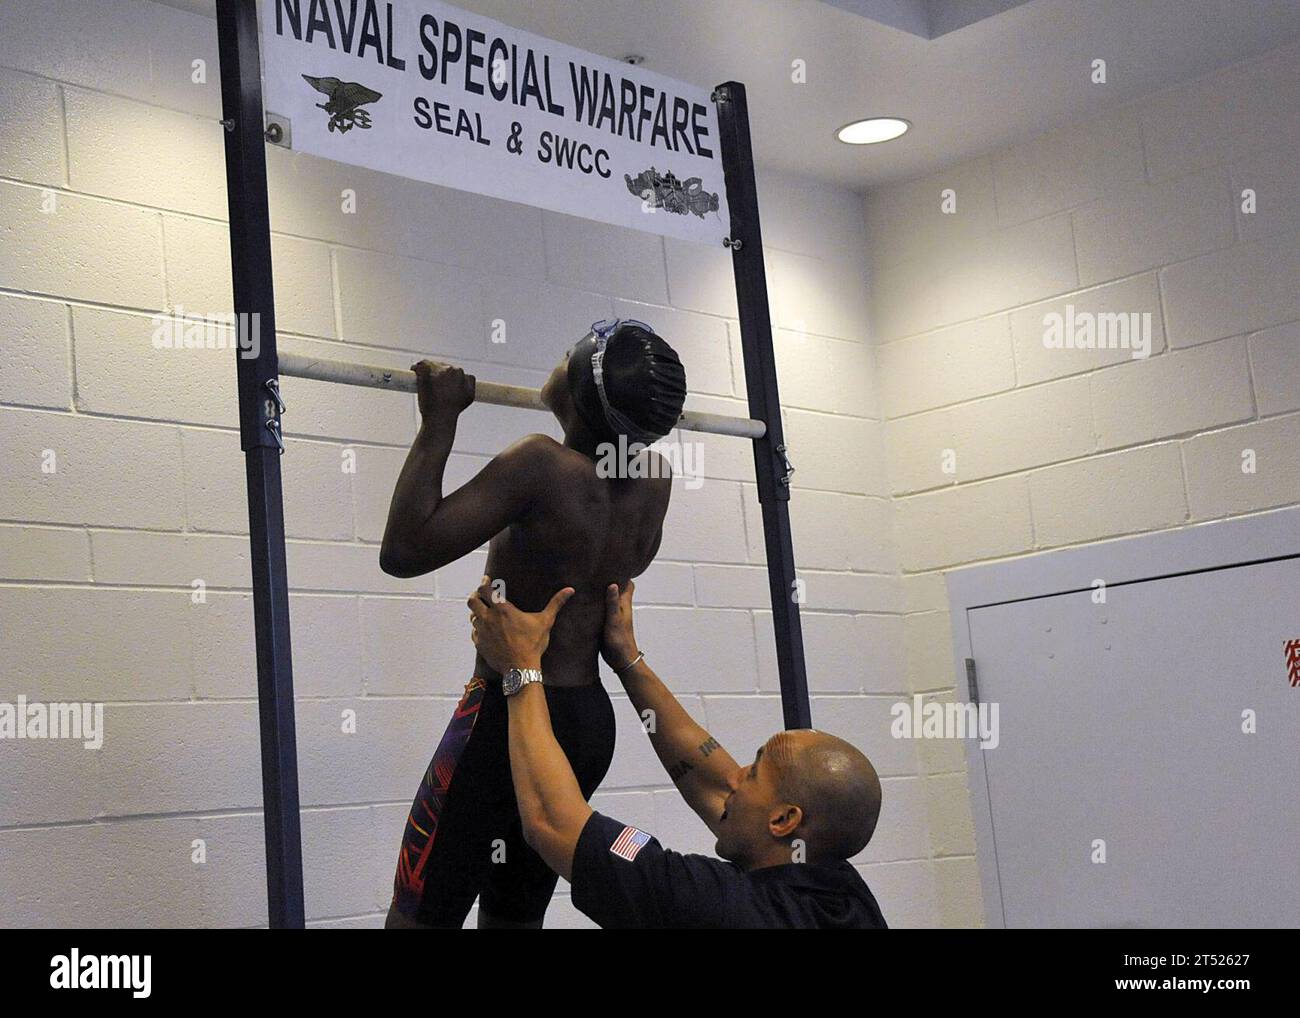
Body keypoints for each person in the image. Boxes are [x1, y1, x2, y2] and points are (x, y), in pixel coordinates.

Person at [380, 319, 687, 929]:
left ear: (576, 383)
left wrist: (439, 422)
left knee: (420, 915)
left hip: (504, 717)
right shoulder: (654, 481)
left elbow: (404, 551)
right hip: (582, 726)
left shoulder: (540, 465)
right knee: (513, 916)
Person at [466, 575, 889, 929]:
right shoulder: (840, 893)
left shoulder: (722, 908)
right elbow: (712, 780)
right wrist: (627, 659)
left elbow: (549, 820)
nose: (735, 776)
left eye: (753, 773)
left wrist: (520, 666)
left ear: (783, 820)